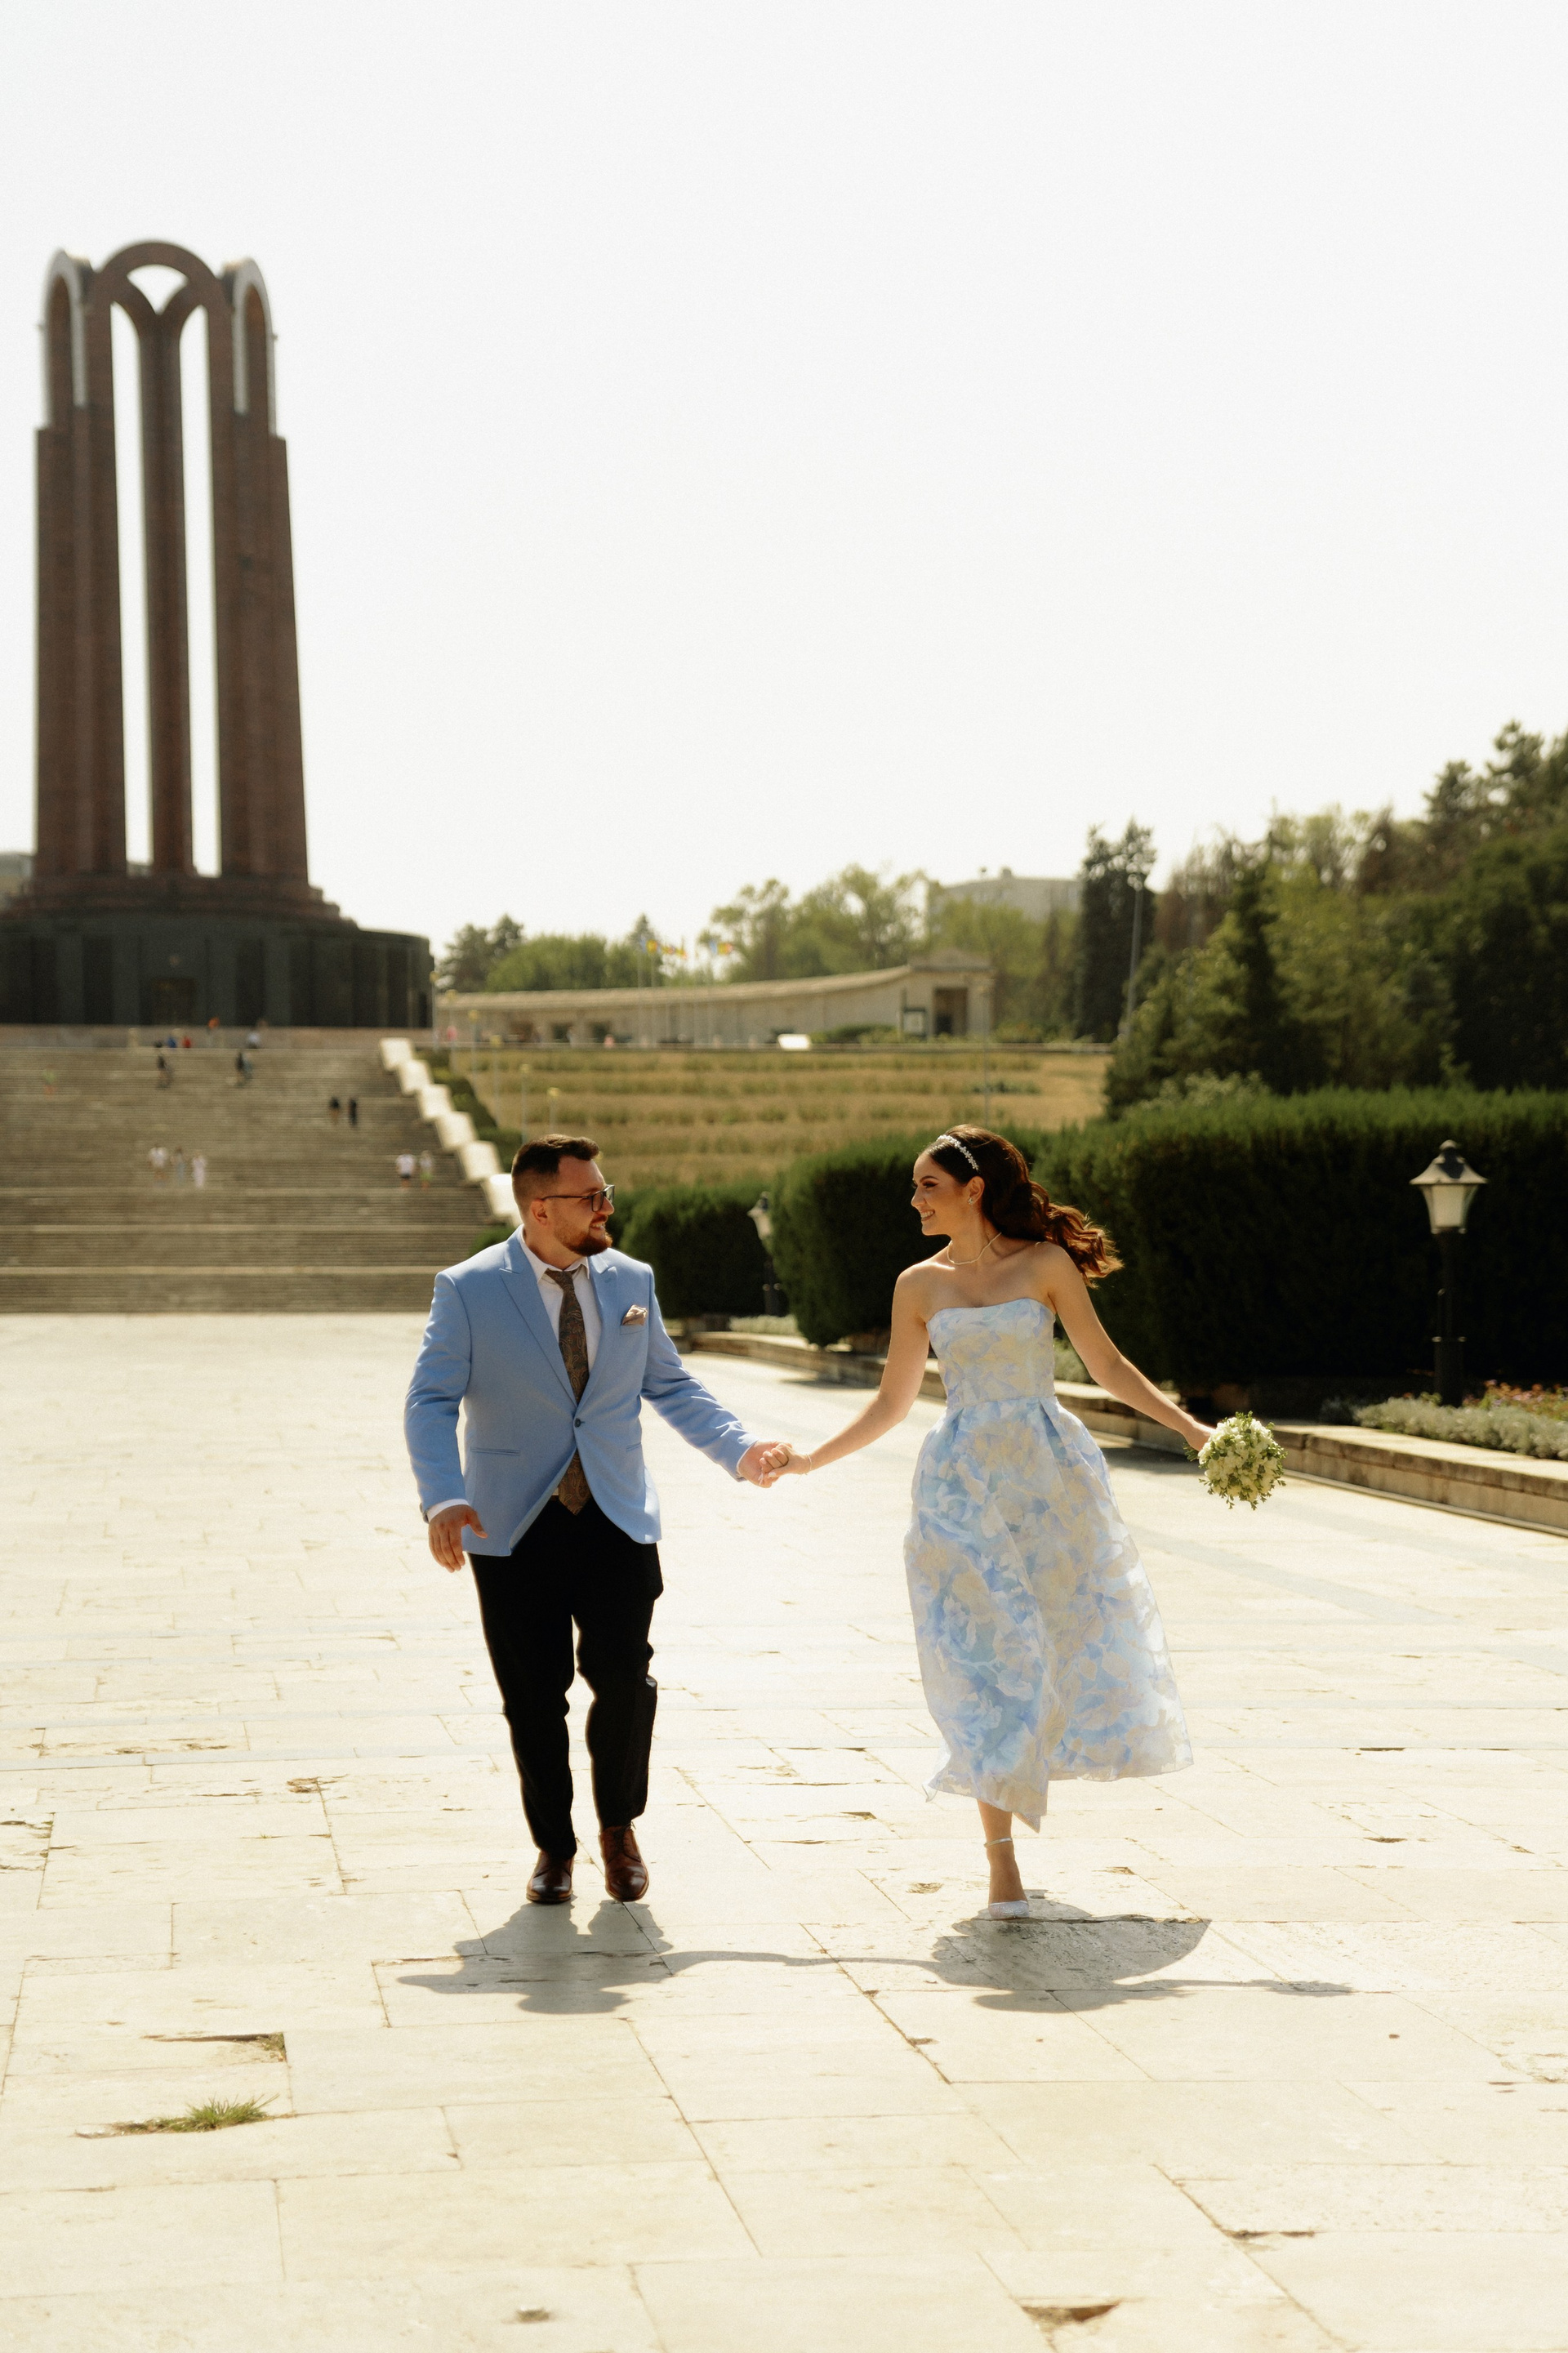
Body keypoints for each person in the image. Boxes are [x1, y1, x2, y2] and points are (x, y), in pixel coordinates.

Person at [773, 1126, 1207, 1921]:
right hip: (959, 1486)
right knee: (982, 1660)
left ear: (973, 1190)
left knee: (1058, 1644)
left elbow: (1108, 1365)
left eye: (928, 1186)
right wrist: (809, 1459)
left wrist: (1194, 1431)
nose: (914, 1200)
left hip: (1048, 1480)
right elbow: (893, 1400)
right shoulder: (917, 1285)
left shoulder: (1045, 1265)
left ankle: (1029, 1778)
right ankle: (1001, 1859)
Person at [404, 1134, 791, 1907]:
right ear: (540, 1208)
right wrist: (444, 1496)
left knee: (625, 1682)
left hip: (615, 1514)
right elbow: (430, 1399)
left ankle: (619, 1828)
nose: (606, 1208)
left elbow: (671, 1385)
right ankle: (554, 1845)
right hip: (512, 1522)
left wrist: (740, 1448)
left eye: (605, 1192)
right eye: (591, 1198)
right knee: (532, 1697)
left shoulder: (632, 1279)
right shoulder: (468, 1288)